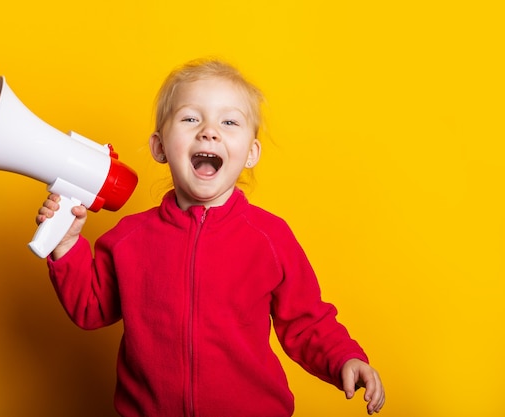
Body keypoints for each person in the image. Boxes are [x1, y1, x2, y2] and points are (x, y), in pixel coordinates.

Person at [36, 58, 385, 416]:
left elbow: (306, 320)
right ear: (159, 147)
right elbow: (91, 308)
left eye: (229, 122)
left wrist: (345, 358)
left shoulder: (270, 238)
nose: (209, 131)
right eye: (190, 118)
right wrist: (66, 248)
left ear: (251, 153)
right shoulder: (128, 238)